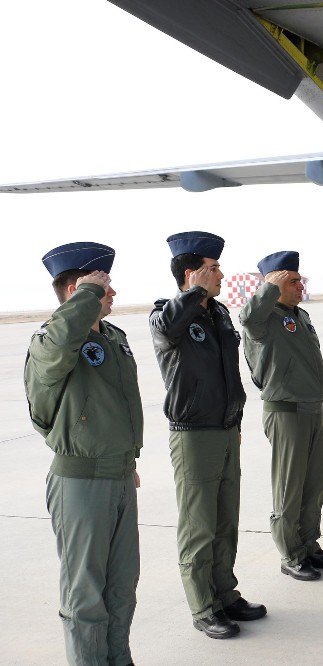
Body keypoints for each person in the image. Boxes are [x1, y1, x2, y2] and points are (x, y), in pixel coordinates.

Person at [25, 242, 142, 665]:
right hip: (80, 481)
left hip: (117, 474)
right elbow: (59, 349)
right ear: (77, 290)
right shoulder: (49, 341)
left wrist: (127, 460)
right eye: (103, 286)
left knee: (121, 586)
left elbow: (116, 407)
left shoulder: (112, 337)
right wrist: (85, 297)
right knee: (85, 594)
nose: (112, 293)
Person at [149, 231, 266, 639]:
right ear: (190, 273)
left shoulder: (217, 314)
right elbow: (167, 329)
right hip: (194, 434)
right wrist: (192, 294)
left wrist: (235, 421)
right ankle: (203, 607)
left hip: (225, 429)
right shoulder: (166, 313)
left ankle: (225, 593)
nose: (221, 274)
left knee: (224, 521)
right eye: (213, 268)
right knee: (198, 526)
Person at [240, 251, 323, 581]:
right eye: (293, 281)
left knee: (314, 485)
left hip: (312, 409)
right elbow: (247, 316)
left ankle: (309, 545)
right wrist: (269, 287)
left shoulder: (301, 315)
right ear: (274, 284)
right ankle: (290, 555)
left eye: (300, 280)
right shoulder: (263, 319)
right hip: (286, 412)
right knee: (289, 488)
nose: (300, 286)